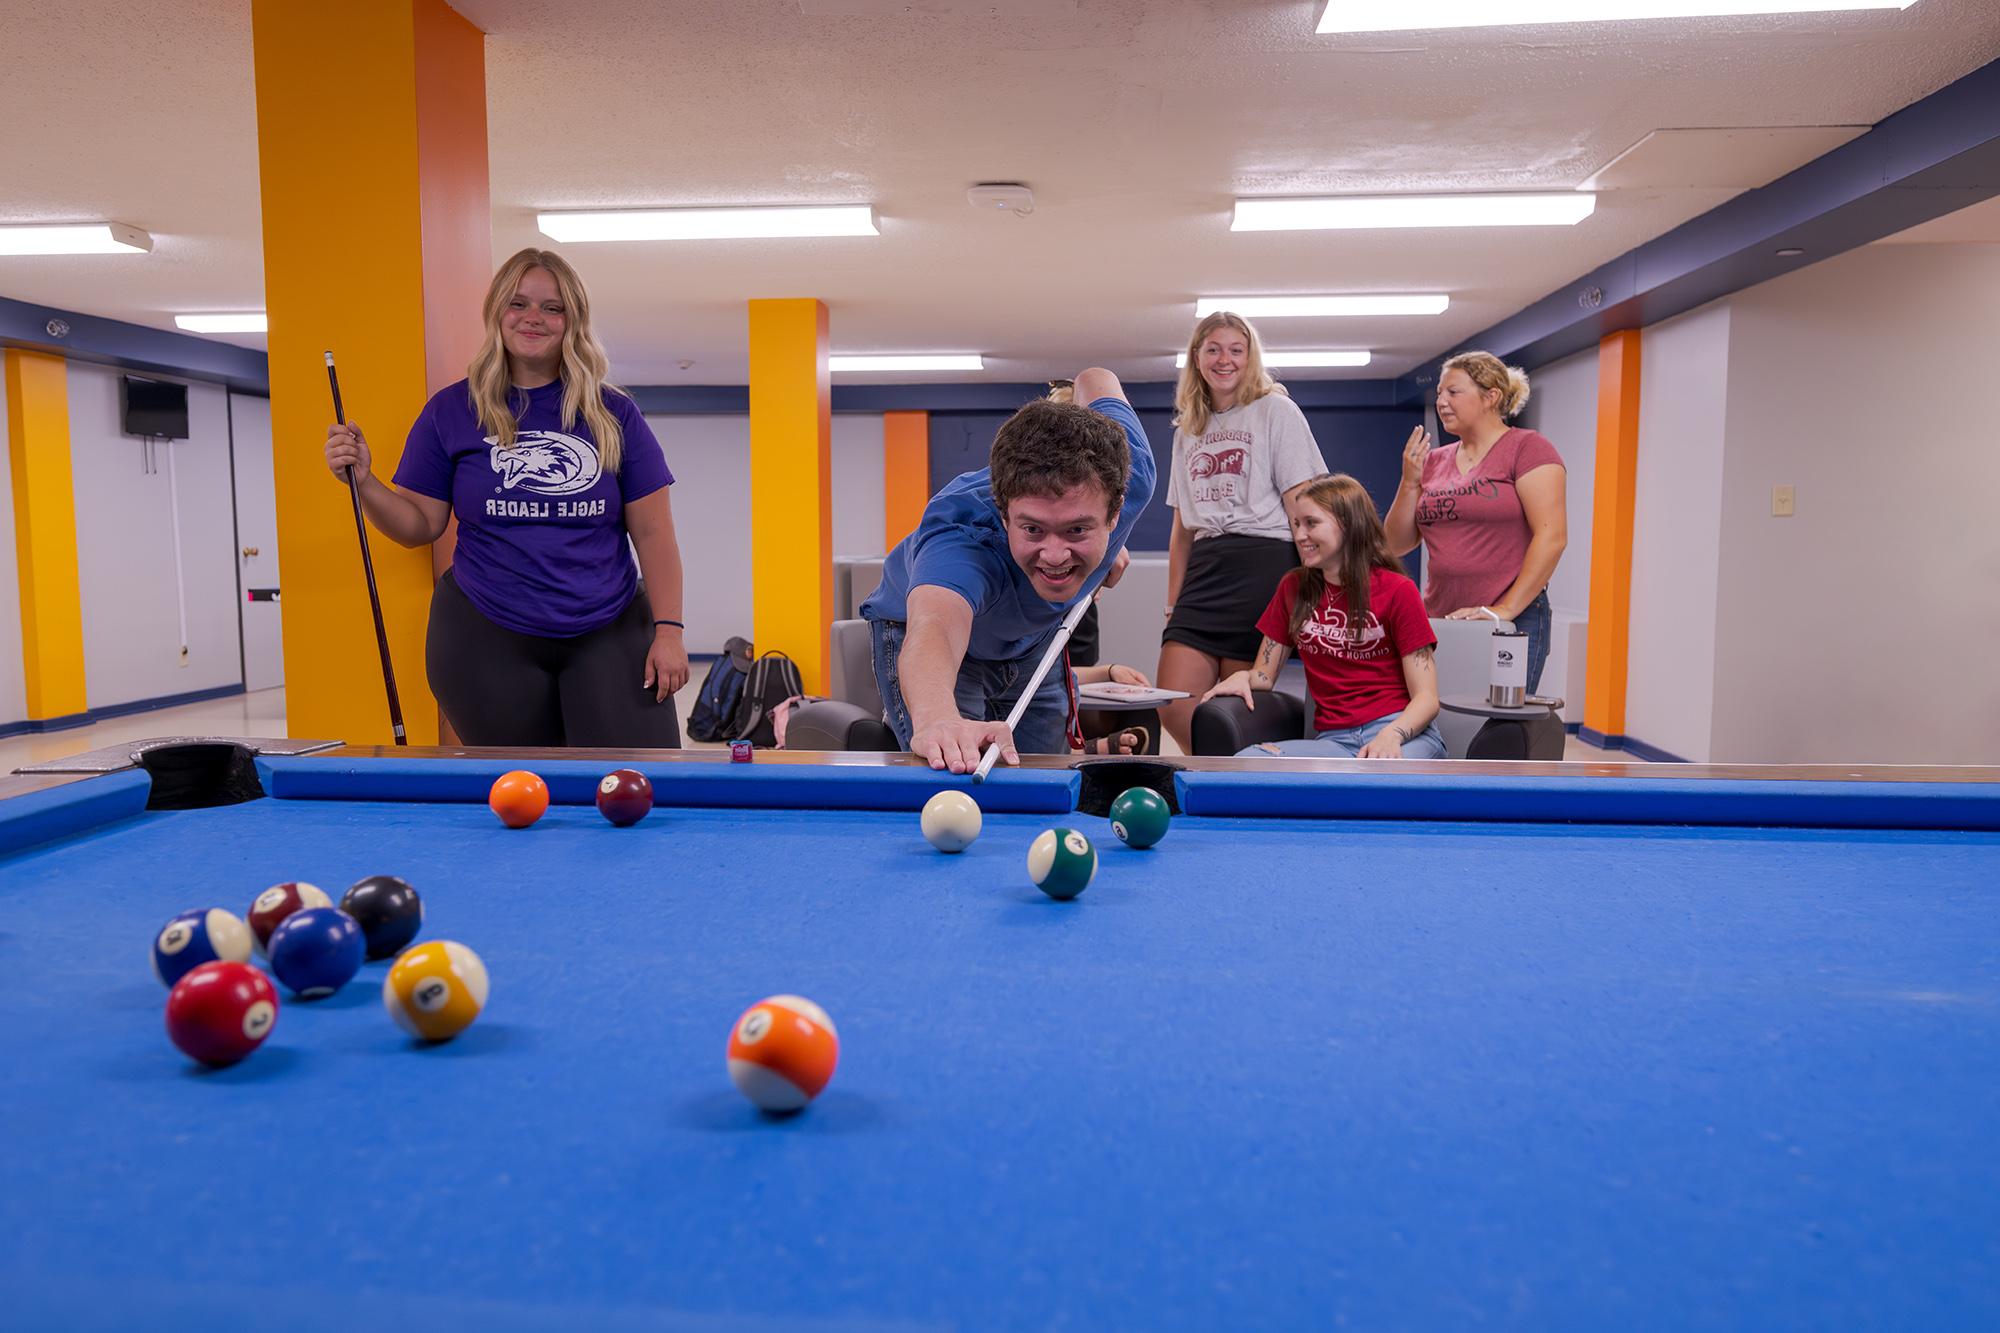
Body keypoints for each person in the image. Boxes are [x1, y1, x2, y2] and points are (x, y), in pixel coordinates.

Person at [323, 247, 688, 746]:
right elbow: (419, 526)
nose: (533, 318)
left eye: (552, 307)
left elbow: (654, 534)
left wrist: (669, 631)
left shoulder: (613, 415)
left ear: (572, 321)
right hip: (487, 632)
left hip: (608, 625)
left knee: (636, 783)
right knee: (522, 792)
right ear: (497, 311)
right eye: (518, 303)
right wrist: (363, 482)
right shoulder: (451, 411)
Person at [860, 368, 1155, 774]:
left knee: (1043, 772)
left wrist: (1109, 546)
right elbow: (935, 629)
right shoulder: (964, 539)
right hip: (931, 638)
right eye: (1033, 529)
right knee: (956, 764)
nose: (1054, 555)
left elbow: (1096, 377)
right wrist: (936, 718)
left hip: (1028, 640)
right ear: (1003, 515)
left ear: (1114, 512)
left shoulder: (1133, 472)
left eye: (1077, 528)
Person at [1157, 312, 1329, 752]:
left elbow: (1302, 501)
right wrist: (1173, 602)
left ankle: (1229, 788)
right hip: (1206, 567)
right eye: (1213, 349)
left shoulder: (1275, 410)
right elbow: (1181, 528)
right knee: (1173, 703)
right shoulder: (1188, 428)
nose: (1225, 359)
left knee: (1236, 705)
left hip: (1264, 564)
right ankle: (1210, 776)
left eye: (1236, 349)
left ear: (1250, 357)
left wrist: (1318, 578)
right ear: (1196, 358)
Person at [1202, 473, 1445, 759]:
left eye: (1311, 523)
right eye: (1296, 525)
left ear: (1348, 524)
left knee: (1375, 777)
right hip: (1335, 743)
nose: (1300, 535)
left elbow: (1427, 699)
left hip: (1402, 735)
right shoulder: (1293, 588)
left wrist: (1391, 735)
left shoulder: (1397, 590)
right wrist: (1244, 677)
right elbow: (1264, 675)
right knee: (1247, 762)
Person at [1384, 351, 1567, 692]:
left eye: (1453, 392)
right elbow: (1395, 544)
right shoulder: (1434, 460)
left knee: (1497, 730)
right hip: (1442, 616)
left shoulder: (1528, 449)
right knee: (1439, 721)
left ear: (1491, 396)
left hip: (1511, 615)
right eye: (1439, 393)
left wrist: (1504, 609)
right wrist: (1410, 481)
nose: (1441, 402)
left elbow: (1552, 536)